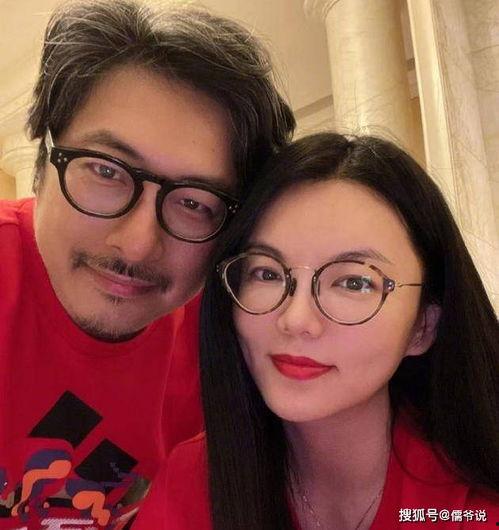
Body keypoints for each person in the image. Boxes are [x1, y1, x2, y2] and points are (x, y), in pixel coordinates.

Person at [0, 0, 295, 527]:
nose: (138, 246)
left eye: (195, 202)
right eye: (106, 171)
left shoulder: (234, 338)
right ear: (44, 157)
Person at [135, 133, 499, 529]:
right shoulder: (190, 484)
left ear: (422, 326)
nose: (295, 319)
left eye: (354, 282)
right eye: (267, 273)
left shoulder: (473, 506)